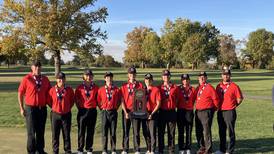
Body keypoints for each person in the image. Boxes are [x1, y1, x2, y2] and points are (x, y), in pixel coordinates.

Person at [18, 60, 51, 154]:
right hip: (30, 109)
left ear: (41, 67)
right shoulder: (27, 79)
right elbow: (20, 93)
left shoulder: (45, 79)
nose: (37, 68)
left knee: (41, 131)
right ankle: (31, 151)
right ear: (32, 67)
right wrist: (21, 108)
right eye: (35, 66)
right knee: (31, 132)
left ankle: (40, 150)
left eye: (39, 66)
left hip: (42, 109)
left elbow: (50, 93)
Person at [215, 69, 243, 154]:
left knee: (231, 131)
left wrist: (233, 106)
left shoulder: (234, 86)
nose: (225, 76)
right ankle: (222, 149)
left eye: (227, 74)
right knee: (221, 131)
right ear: (221, 75)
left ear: (230, 76)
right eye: (224, 74)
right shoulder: (218, 86)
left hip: (230, 111)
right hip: (220, 111)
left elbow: (239, 99)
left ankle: (230, 150)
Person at [48, 72, 74, 154]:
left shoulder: (69, 90)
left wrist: (66, 108)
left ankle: (67, 150)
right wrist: (55, 107)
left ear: (65, 79)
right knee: (55, 135)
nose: (61, 80)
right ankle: (55, 151)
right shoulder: (52, 90)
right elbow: (49, 101)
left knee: (66, 134)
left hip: (66, 114)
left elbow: (72, 101)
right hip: (55, 115)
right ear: (56, 79)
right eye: (59, 78)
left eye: (62, 78)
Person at [120, 67, 144, 154]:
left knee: (136, 131)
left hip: (136, 111)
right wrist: (125, 112)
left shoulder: (140, 85)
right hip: (126, 111)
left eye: (133, 74)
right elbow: (122, 100)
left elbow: (142, 100)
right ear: (128, 75)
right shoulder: (123, 86)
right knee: (126, 131)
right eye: (130, 74)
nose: (132, 75)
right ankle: (125, 149)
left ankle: (137, 149)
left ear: (135, 75)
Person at [75, 69, 99, 154]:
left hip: (92, 111)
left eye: (90, 75)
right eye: (87, 75)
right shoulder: (79, 87)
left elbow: (98, 99)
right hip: (82, 111)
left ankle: (89, 148)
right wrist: (80, 108)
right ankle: (80, 148)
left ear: (92, 77)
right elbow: (76, 99)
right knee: (81, 130)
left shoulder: (96, 87)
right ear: (84, 76)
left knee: (90, 130)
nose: (88, 77)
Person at [195, 71, 219, 154]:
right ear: (198, 78)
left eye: (203, 77)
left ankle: (208, 150)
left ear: (206, 78)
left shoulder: (209, 87)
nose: (202, 78)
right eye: (200, 77)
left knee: (206, 131)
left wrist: (213, 109)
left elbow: (216, 99)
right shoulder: (198, 88)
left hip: (206, 111)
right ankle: (202, 147)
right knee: (198, 130)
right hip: (198, 111)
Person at [97, 72, 121, 154]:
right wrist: (102, 108)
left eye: (110, 77)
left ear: (112, 78)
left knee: (113, 131)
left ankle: (113, 149)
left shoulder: (116, 89)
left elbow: (118, 101)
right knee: (104, 132)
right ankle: (104, 149)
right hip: (104, 112)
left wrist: (115, 108)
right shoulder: (101, 90)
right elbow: (98, 101)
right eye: (107, 77)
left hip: (113, 112)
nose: (109, 79)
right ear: (105, 79)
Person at [158, 70, 180, 154]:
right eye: (164, 76)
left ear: (170, 76)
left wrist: (173, 105)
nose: (166, 77)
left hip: (172, 112)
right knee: (161, 132)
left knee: (171, 132)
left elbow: (178, 99)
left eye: (167, 75)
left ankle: (171, 149)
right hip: (162, 112)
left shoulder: (175, 87)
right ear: (162, 77)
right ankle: (161, 149)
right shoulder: (159, 87)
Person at [177, 74, 196, 154]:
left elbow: (195, 99)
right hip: (180, 111)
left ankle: (188, 147)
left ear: (189, 80)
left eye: (187, 79)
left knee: (188, 130)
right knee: (180, 130)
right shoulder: (178, 89)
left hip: (189, 111)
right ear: (181, 80)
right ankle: (181, 147)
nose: (185, 81)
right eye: (184, 79)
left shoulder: (193, 89)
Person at [144, 73, 161, 154]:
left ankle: (153, 150)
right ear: (145, 80)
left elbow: (158, 104)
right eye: (146, 79)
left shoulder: (156, 89)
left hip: (153, 113)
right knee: (146, 132)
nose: (148, 81)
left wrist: (151, 114)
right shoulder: (142, 90)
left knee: (152, 133)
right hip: (144, 114)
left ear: (152, 81)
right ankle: (148, 149)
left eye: (150, 80)